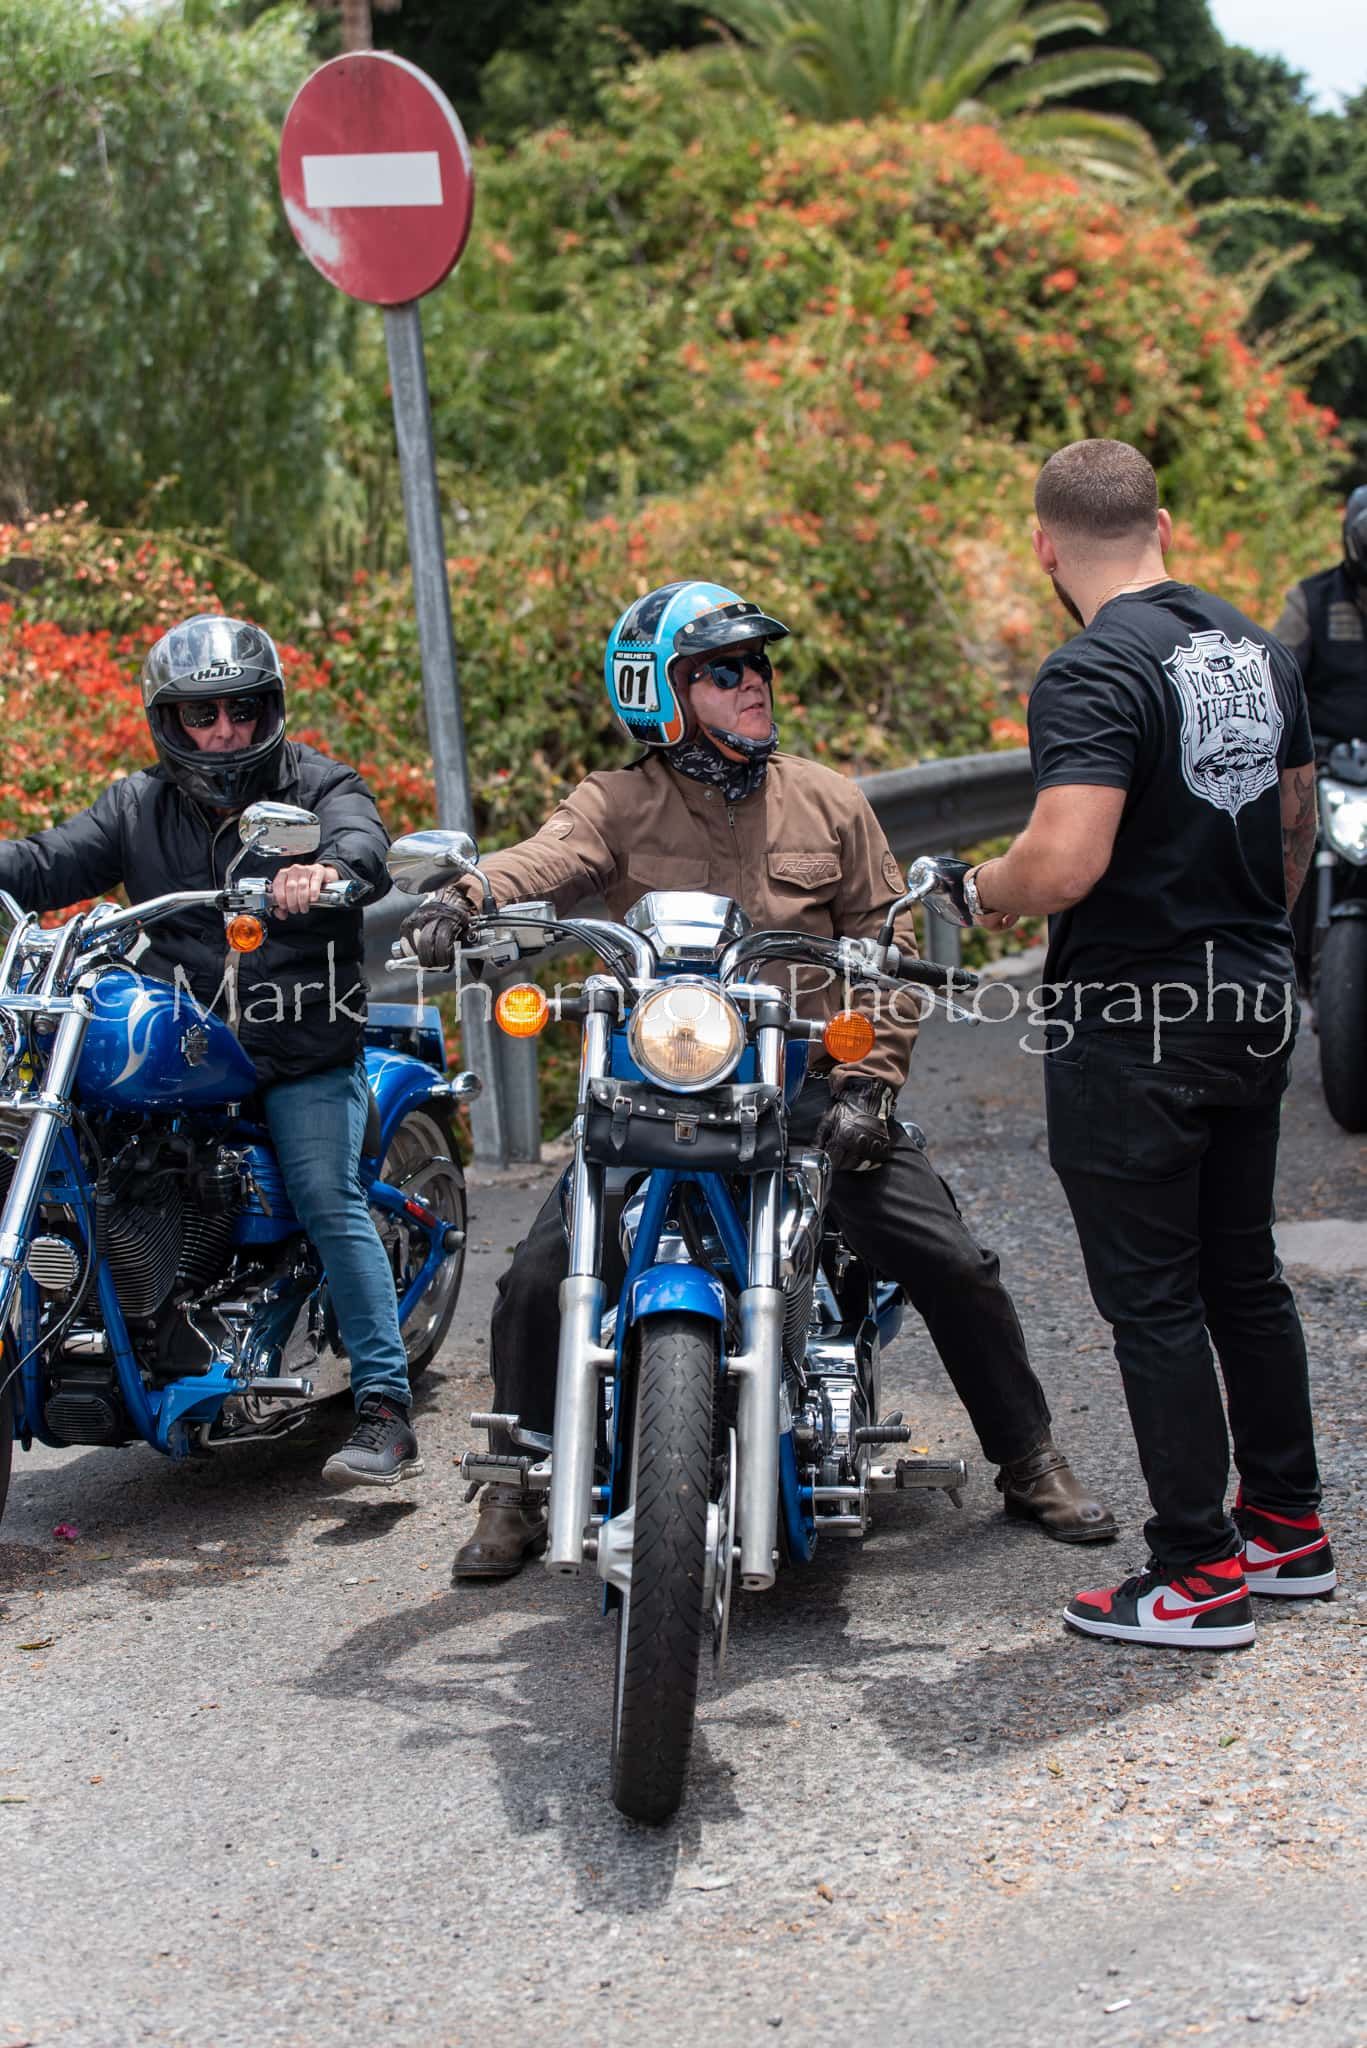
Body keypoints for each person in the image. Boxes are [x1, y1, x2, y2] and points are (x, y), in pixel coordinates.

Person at [401, 578, 1115, 1579]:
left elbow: (884, 942)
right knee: (536, 1273)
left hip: (804, 1083)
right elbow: (546, 857)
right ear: (662, 689)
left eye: (759, 666)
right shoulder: (615, 801)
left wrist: (870, 1083)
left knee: (949, 1256)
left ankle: (1027, 1455)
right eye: (725, 671)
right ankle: (517, 1486)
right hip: (658, 1085)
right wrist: (467, 889)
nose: (755, 685)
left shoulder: (826, 797)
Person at [953, 438, 1334, 1650]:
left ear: (1042, 546)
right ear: (1161, 524)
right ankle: (1284, 1526)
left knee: (1157, 1299)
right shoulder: (1253, 648)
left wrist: (975, 889)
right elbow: (1295, 826)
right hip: (1254, 994)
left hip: (1136, 1020)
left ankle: (1194, 1574)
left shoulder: (1089, 670)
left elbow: (1063, 860)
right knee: (1242, 1274)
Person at [0, 614, 421, 1491]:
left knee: (323, 1193)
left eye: (239, 711)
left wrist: (326, 874)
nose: (222, 732)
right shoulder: (136, 805)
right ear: (170, 721)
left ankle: (384, 1403)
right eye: (201, 716)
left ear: (267, 710)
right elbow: (47, 864)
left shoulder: (318, 781)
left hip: (299, 1046)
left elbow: (362, 844)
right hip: (189, 1038)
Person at [1272, 485, 1367, 986]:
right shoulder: (1311, 599)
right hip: (1329, 765)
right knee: (1286, 845)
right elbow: (1276, 675)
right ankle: (1281, 961)